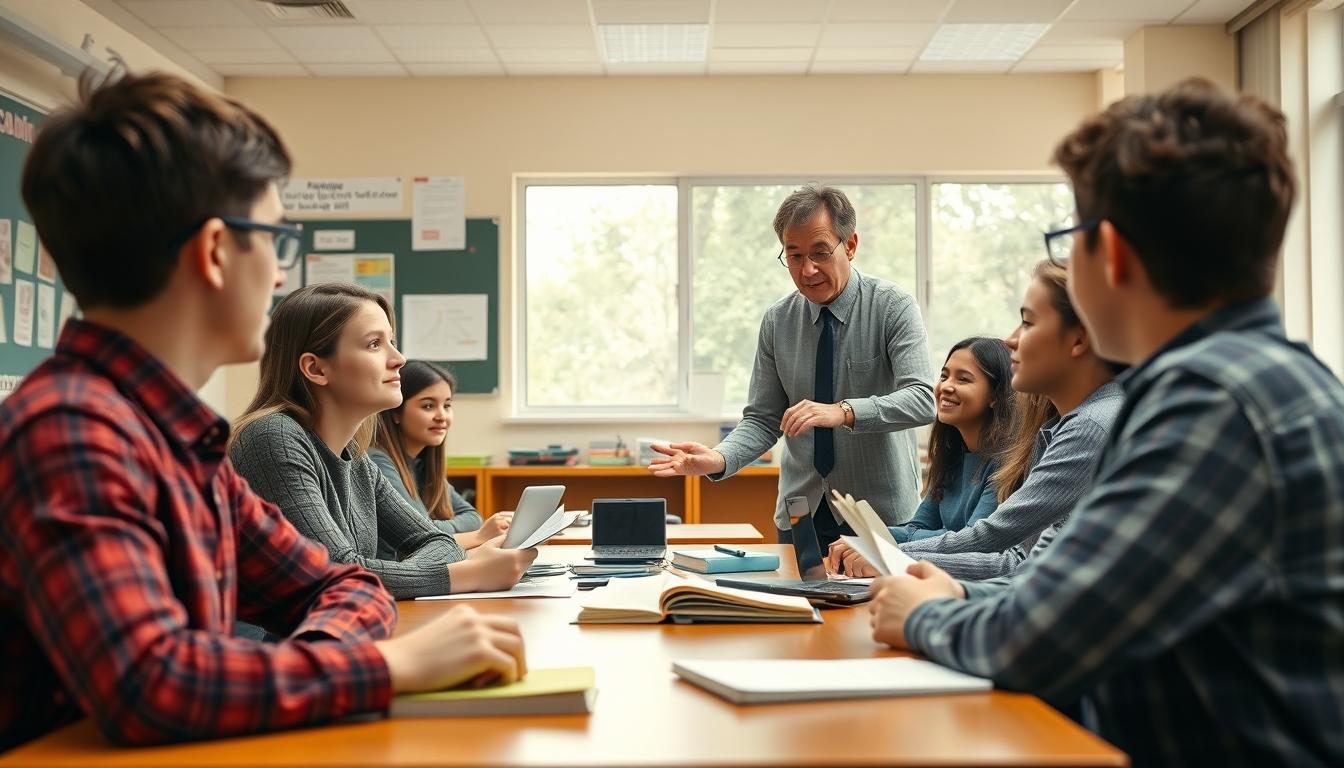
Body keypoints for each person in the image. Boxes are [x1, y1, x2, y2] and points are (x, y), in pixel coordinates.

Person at [0, 70, 526, 750]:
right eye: (275, 240)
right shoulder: (71, 431)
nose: (281, 275)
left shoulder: (179, 438)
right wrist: (380, 665)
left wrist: (318, 662)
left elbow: (346, 585)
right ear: (217, 251)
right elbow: (152, 687)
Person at [868, 78, 1344, 766]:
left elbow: (1043, 637)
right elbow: (1068, 585)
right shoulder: (1260, 380)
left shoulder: (1211, 406)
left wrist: (925, 616)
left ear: (1112, 253)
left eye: (1073, 234)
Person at [649, 184, 935, 547]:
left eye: (820, 252)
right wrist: (720, 458)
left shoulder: (894, 307)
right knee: (795, 604)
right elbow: (763, 419)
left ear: (850, 245)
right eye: (794, 255)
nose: (808, 269)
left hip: (880, 515)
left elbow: (922, 400)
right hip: (801, 512)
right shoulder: (777, 321)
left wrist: (843, 412)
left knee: (877, 606)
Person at [230, 283, 536, 599]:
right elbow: (333, 573)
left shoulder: (358, 458)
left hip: (347, 629)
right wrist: (467, 574)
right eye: (375, 344)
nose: (399, 358)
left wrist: (402, 574)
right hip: (286, 644)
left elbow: (436, 541)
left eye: (392, 341)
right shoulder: (272, 437)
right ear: (316, 368)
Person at [831, 262, 1122, 580]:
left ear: (1078, 341)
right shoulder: (1062, 427)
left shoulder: (1090, 428)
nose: (1010, 340)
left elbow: (993, 538)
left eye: (1027, 323)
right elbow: (1019, 563)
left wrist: (892, 558)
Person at [369, 360, 510, 558]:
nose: (442, 416)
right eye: (428, 406)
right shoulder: (377, 462)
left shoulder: (423, 466)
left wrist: (435, 527)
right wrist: (478, 536)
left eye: (447, 405)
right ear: (396, 412)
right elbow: (420, 534)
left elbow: (473, 517)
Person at [887, 337, 1015, 544]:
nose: (946, 386)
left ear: (996, 396)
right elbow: (918, 527)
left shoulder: (1007, 463)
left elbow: (971, 539)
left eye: (963, 379)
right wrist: (870, 536)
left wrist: (886, 538)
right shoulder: (951, 456)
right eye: (944, 376)